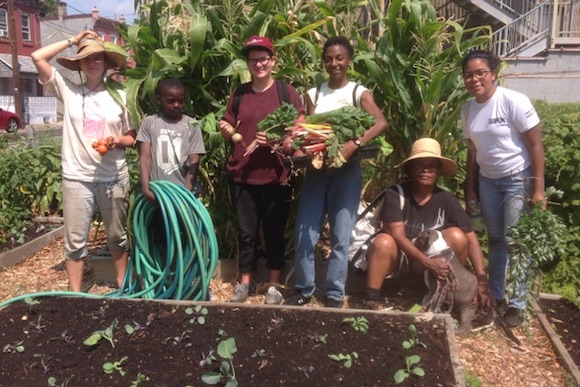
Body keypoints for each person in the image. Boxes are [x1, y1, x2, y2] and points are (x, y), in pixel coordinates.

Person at [284, 36, 388, 308]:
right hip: (316, 170)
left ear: (349, 60)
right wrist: (294, 144)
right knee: (305, 232)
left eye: (339, 58)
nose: (334, 63)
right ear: (324, 62)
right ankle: (304, 289)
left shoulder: (358, 92)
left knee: (342, 235)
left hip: (346, 171)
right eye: (329, 59)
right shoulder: (314, 94)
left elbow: (379, 122)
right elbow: (304, 129)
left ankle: (333, 294)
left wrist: (353, 145)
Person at [31, 31, 135, 291]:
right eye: (85, 58)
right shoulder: (69, 91)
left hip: (113, 176)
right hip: (77, 177)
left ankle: (122, 283)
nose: (91, 63)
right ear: (78, 63)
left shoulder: (121, 95)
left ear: (106, 62)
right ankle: (75, 294)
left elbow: (132, 137)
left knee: (117, 236)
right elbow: (37, 56)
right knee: (75, 241)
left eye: (97, 58)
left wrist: (114, 141)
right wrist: (73, 40)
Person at [461, 49, 545, 327]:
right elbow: (472, 152)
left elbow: (535, 145)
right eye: (468, 75)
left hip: (516, 179)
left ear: (493, 73)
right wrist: (470, 188)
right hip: (488, 181)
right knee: (496, 240)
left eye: (480, 73)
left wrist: (538, 189)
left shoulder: (513, 101)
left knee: (515, 241)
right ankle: (496, 295)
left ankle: (518, 304)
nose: (474, 79)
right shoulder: (468, 109)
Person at [219, 36, 305, 304]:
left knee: (274, 231)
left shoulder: (285, 92)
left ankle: (274, 285)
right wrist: (226, 130)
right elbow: (227, 122)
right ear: (248, 63)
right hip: (242, 175)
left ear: (273, 61)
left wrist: (280, 140)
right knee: (246, 233)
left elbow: (299, 126)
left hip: (275, 176)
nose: (259, 64)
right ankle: (245, 282)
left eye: (263, 59)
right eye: (253, 60)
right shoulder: (240, 93)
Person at [363, 138, 492, 312]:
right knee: (384, 241)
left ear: (438, 171)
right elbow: (397, 235)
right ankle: (371, 298)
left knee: (458, 236)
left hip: (431, 264)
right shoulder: (396, 193)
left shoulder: (446, 199)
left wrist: (482, 281)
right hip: (401, 259)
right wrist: (428, 262)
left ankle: (446, 290)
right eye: (420, 165)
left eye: (431, 165)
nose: (426, 170)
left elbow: (471, 239)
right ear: (410, 169)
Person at [137, 77, 205, 200]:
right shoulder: (150, 123)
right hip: (158, 192)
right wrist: (146, 189)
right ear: (159, 100)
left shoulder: (192, 125)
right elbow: (145, 158)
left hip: (184, 193)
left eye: (180, 101)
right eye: (170, 101)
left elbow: (194, 162)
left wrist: (186, 192)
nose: (176, 105)